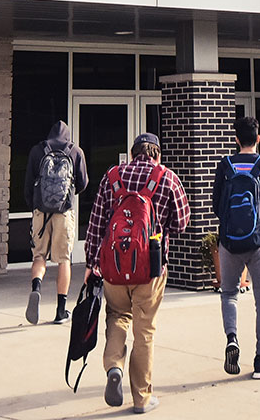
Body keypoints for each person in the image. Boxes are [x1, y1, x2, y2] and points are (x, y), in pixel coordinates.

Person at [84, 133, 189, 414]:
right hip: (150, 269)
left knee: (117, 317)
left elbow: (96, 223)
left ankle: (113, 367)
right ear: (157, 155)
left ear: (132, 154)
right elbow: (181, 222)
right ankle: (141, 398)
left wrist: (91, 263)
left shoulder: (112, 176)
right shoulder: (166, 177)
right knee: (145, 331)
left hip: (113, 268)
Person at [212, 115, 260, 381]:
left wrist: (230, 226)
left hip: (230, 242)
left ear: (235, 139)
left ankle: (232, 339)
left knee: (229, 294)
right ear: (257, 139)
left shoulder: (226, 165)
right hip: (258, 241)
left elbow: (215, 203)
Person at [24, 119, 90, 325]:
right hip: (64, 211)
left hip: (40, 212)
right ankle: (61, 311)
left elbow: (28, 183)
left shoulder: (38, 150)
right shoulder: (75, 151)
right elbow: (83, 182)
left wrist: (35, 204)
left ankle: (36, 288)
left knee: (39, 256)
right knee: (64, 259)